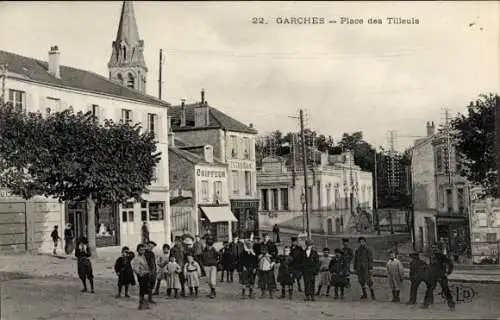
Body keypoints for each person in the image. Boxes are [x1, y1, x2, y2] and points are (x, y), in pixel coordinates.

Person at [423, 244, 456, 311]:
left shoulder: (441, 256)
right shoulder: (431, 256)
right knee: (429, 290)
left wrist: (448, 272)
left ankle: (451, 305)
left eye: (435, 248)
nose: (434, 250)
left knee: (446, 290)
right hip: (433, 276)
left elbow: (450, 263)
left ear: (438, 249)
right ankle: (426, 304)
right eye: (432, 248)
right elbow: (431, 266)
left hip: (441, 276)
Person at [131, 243, 151, 310]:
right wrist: (140, 273)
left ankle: (146, 304)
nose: (142, 251)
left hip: (146, 275)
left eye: (143, 250)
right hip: (142, 276)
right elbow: (135, 268)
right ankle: (141, 305)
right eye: (140, 250)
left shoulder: (143, 257)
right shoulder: (137, 258)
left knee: (146, 290)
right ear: (137, 250)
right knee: (142, 290)